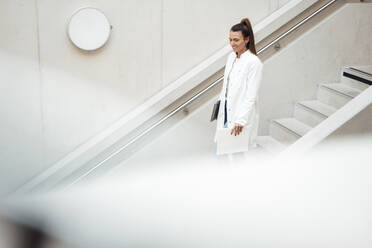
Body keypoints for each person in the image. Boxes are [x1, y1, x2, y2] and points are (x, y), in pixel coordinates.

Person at [214, 18, 263, 154]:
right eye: (230, 39)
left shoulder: (254, 62)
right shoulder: (231, 57)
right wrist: (219, 106)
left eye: (236, 40)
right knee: (221, 152)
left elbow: (251, 96)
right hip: (225, 114)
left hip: (239, 118)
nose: (232, 43)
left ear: (246, 40)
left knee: (236, 157)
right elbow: (226, 86)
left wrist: (241, 120)